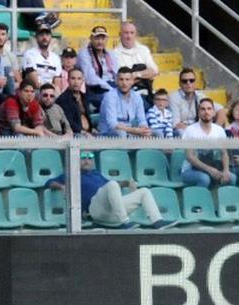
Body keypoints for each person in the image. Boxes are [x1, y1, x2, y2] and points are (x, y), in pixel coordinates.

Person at [46, 150, 174, 229]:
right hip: (94, 210)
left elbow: (111, 188)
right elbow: (49, 183)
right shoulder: (71, 174)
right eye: (83, 157)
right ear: (77, 160)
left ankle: (157, 221)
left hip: (112, 212)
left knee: (144, 191)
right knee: (112, 184)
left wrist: (126, 183)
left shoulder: (97, 174)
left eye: (90, 157)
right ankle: (125, 222)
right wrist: (62, 186)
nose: (87, 160)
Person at [181, 98, 234, 188]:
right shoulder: (190, 130)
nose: (206, 112)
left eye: (209, 109)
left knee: (232, 178)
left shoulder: (219, 130)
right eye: (203, 109)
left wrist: (226, 170)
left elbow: (224, 154)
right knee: (204, 178)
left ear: (213, 112)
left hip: (214, 167)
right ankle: (198, 202)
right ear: (198, 112)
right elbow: (190, 157)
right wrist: (209, 170)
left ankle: (224, 202)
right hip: (190, 170)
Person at [111, 21, 158, 101]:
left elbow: (154, 71)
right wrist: (145, 74)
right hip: (127, 94)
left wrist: (136, 74)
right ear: (120, 35)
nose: (129, 36)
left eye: (132, 33)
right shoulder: (114, 54)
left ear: (136, 35)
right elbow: (121, 78)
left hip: (147, 91)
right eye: (126, 33)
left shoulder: (143, 49)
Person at [98, 67, 150, 137]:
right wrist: (134, 130)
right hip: (109, 134)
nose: (124, 83)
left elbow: (142, 120)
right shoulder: (110, 96)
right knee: (122, 133)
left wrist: (144, 129)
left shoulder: (137, 96)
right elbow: (112, 124)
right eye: (121, 79)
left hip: (129, 132)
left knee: (156, 134)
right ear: (116, 81)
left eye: (127, 79)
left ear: (132, 81)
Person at [170, 67, 224, 132]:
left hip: (198, 130)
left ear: (195, 83)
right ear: (180, 84)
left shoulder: (200, 96)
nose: (188, 83)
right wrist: (196, 130)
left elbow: (221, 111)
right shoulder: (173, 97)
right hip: (183, 132)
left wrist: (214, 130)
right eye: (184, 81)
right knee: (181, 132)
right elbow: (176, 124)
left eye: (191, 80)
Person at [78, 26, 117, 111]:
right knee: (111, 99)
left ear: (106, 40)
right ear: (91, 38)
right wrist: (111, 89)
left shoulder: (110, 53)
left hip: (112, 85)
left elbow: (117, 73)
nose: (100, 42)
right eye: (97, 38)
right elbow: (90, 78)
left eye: (103, 39)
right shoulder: (84, 53)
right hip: (95, 89)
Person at [21, 27, 63, 93]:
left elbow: (57, 82)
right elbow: (35, 83)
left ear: (51, 37)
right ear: (36, 37)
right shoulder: (30, 54)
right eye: (41, 35)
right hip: (35, 91)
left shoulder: (55, 57)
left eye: (47, 35)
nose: (44, 37)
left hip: (51, 92)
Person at [57, 67, 92, 135]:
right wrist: (82, 132)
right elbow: (68, 121)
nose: (76, 82)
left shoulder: (84, 97)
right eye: (73, 78)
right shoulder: (63, 99)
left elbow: (88, 116)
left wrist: (92, 128)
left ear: (82, 81)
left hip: (87, 132)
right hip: (74, 134)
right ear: (68, 80)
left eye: (79, 79)